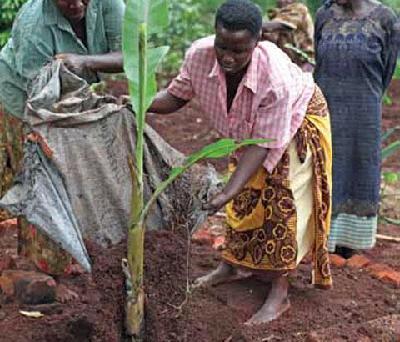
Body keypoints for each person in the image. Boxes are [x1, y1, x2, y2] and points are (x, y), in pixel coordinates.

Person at [148, 0, 333, 323]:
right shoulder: (199, 55)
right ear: (214, 36)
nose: (228, 58)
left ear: (257, 41)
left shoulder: (274, 78)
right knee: (243, 195)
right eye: (222, 47)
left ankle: (279, 291)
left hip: (297, 118)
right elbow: (176, 96)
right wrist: (138, 103)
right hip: (249, 129)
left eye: (239, 51)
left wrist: (225, 194)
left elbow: (262, 148)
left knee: (279, 197)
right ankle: (230, 265)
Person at [0, 0, 125, 302]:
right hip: (24, 101)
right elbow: (42, 98)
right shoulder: (33, 25)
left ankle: (59, 257)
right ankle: (46, 269)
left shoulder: (110, 6)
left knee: (65, 179)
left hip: (71, 93)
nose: (77, 3)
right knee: (40, 179)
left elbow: (129, 56)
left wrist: (86, 62)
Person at [314, 0, 399, 258]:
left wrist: (363, 98)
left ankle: (349, 249)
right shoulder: (323, 15)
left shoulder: (386, 20)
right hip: (326, 112)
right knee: (325, 171)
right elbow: (320, 66)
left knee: (358, 172)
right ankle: (321, 242)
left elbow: (386, 72)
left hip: (364, 116)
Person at [261, 0, 315, 71]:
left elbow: (283, 25)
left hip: (304, 64)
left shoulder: (298, 9)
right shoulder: (275, 14)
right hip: (286, 65)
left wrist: (252, 25)